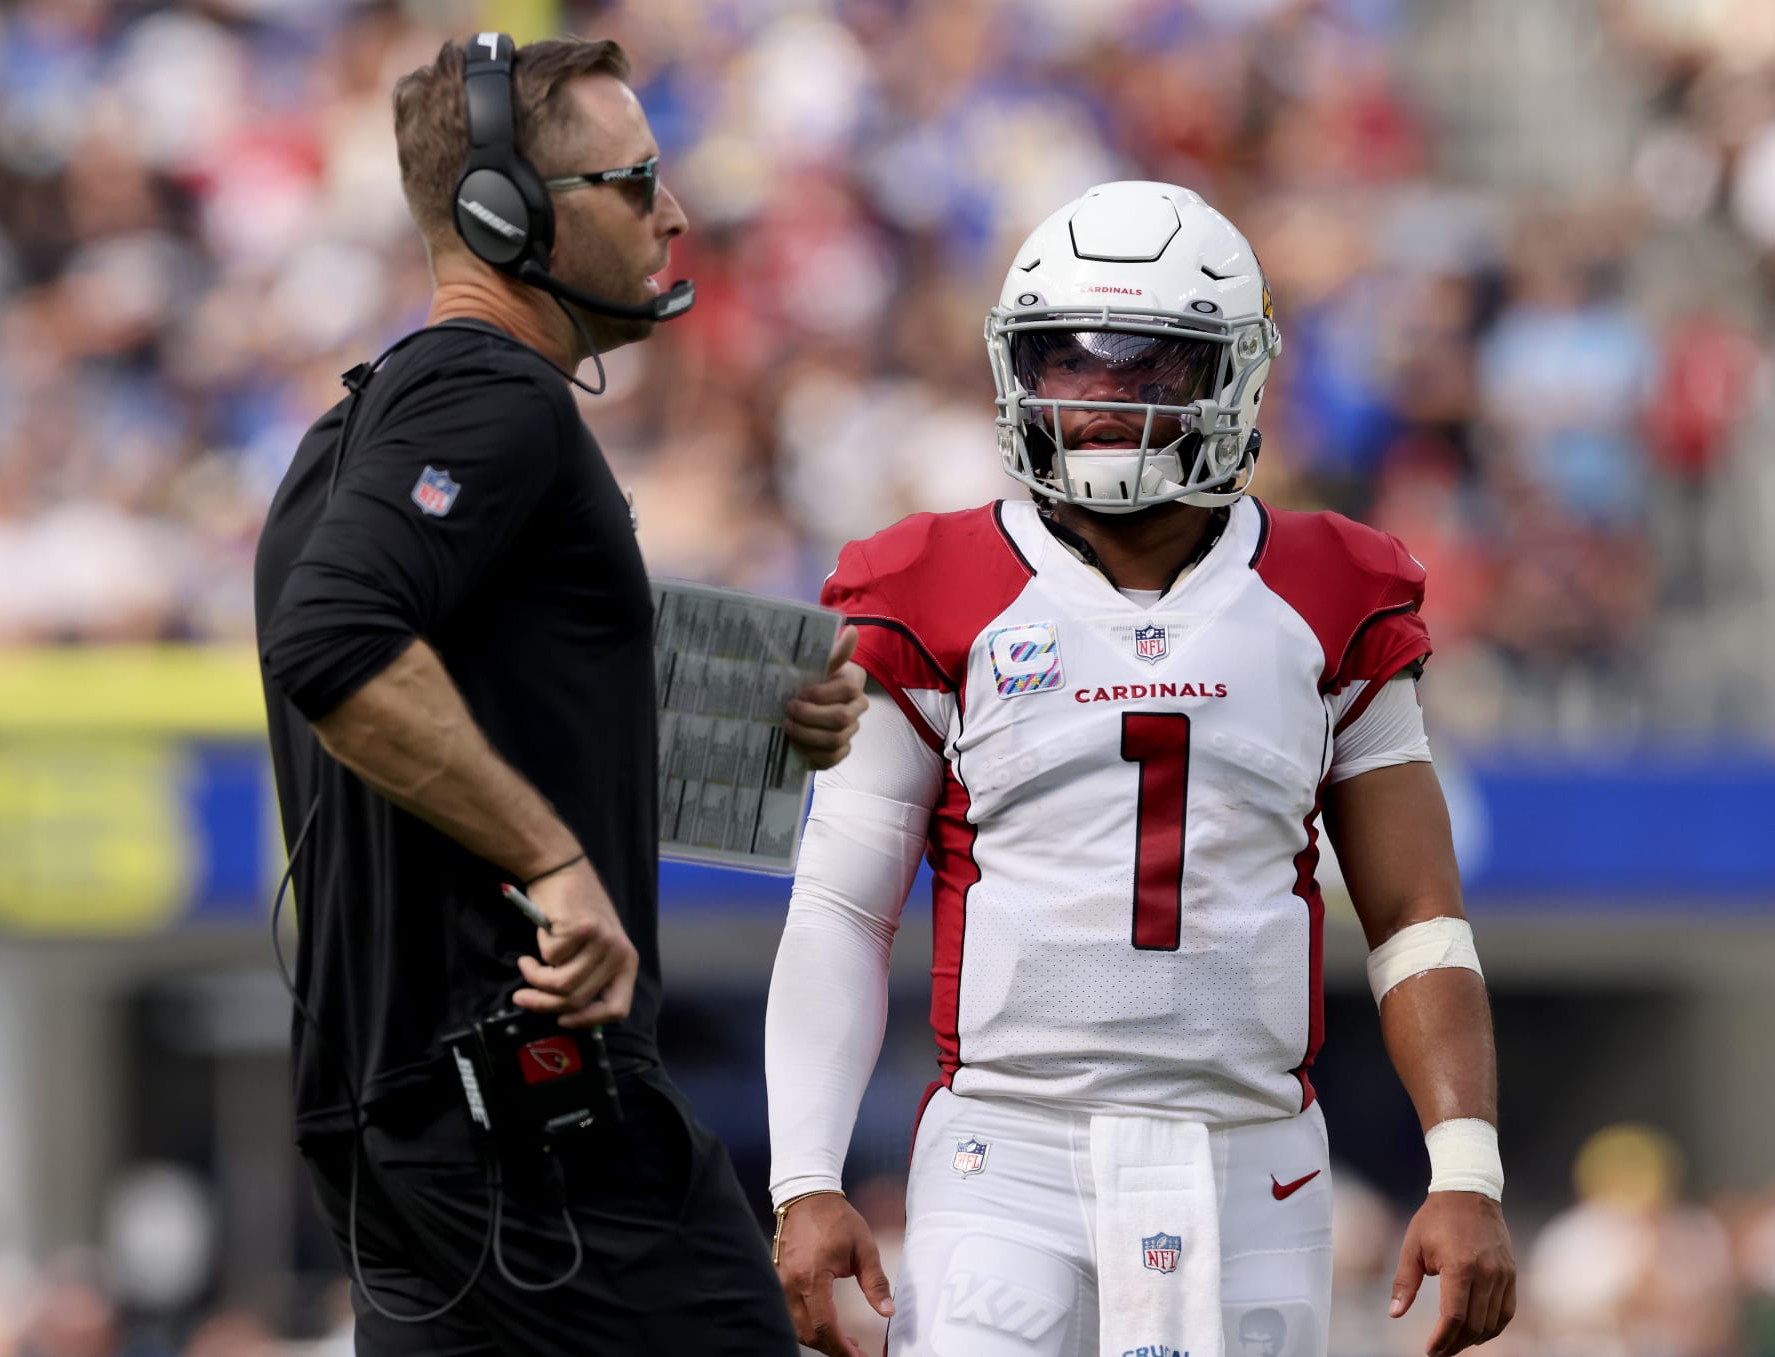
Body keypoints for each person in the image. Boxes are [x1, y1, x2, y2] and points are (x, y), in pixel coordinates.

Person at [764, 181, 1516, 1357]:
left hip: (1251, 1150)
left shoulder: (1333, 590)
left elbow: (1417, 912)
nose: (1099, 398)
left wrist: (1466, 1165)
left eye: (1146, 364)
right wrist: (805, 1174)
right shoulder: (926, 585)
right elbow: (843, 906)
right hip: (1007, 1144)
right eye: (1066, 358)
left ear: (1232, 373)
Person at [254, 32, 868, 1356]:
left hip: (412, 1135)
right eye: (635, 180)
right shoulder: (490, 396)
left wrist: (752, 712)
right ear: (502, 213)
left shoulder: (349, 433)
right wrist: (554, 859)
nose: (675, 212)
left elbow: (491, 691)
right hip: (537, 1122)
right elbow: (336, 641)